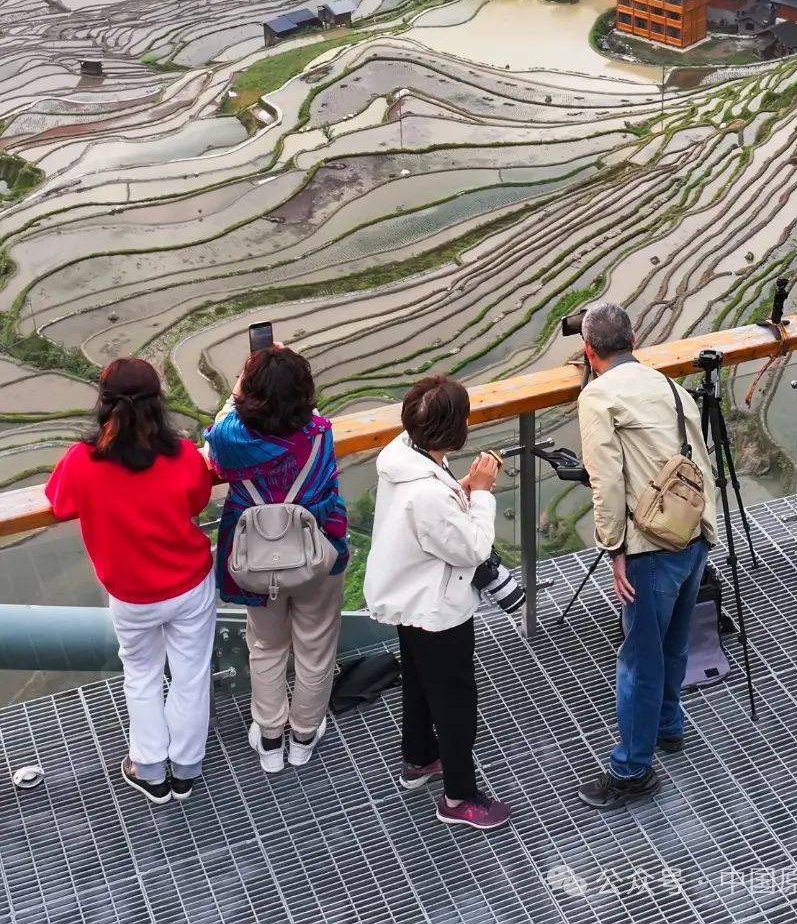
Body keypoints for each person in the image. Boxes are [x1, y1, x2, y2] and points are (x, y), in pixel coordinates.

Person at [45, 357, 216, 805]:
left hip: (131, 594)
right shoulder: (181, 455)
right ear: (158, 403)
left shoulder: (82, 461)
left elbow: (58, 504)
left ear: (103, 404)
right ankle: (186, 770)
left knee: (141, 675)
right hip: (190, 583)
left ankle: (150, 771)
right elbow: (197, 501)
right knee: (190, 674)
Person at [574, 302, 718, 811]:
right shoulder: (671, 387)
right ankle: (669, 726)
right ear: (634, 340)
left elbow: (606, 483)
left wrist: (613, 547)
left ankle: (632, 769)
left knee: (638, 659)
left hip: (651, 548)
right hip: (694, 534)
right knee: (676, 640)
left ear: (590, 352)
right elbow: (700, 461)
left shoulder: (597, 398)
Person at [363, 374, 511, 832]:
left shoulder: (404, 455)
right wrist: (482, 493)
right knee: (455, 702)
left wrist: (460, 488)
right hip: (437, 608)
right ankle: (459, 797)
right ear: (455, 430)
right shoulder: (427, 490)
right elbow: (471, 549)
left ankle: (419, 760)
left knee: (420, 682)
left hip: (410, 598)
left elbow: (430, 516)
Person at [205, 346, 349, 773]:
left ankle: (270, 740)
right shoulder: (320, 432)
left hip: (255, 563)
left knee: (265, 646)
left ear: (250, 395)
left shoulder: (231, 442)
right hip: (314, 554)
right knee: (316, 646)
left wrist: (237, 390)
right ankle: (303, 737)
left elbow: (219, 436)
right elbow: (305, 432)